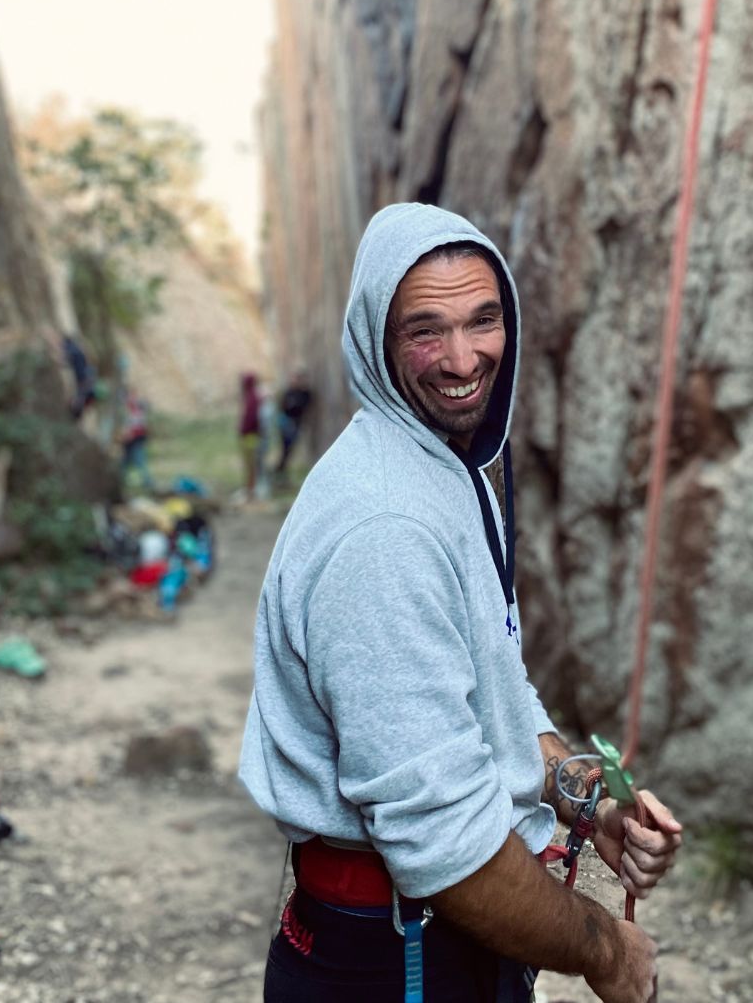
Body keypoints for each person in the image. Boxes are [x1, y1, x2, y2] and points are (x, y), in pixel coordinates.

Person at [239, 204, 681, 1003]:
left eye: (484, 320)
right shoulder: (386, 528)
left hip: (436, 941)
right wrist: (608, 950)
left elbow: (492, 697)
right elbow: (445, 844)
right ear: (376, 337)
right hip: (398, 961)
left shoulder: (440, 469)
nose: (462, 357)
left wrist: (586, 804)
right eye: (425, 330)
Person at [274, 370, 312, 478]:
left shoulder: (304, 394)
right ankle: (280, 470)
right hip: (286, 422)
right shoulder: (289, 392)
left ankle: (281, 469)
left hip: (295, 423)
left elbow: (302, 405)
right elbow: (284, 406)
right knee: (285, 447)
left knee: (290, 448)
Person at [118, 387, 153, 491]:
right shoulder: (128, 409)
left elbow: (138, 425)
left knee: (139, 460)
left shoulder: (136, 409)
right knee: (125, 462)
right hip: (129, 440)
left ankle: (147, 482)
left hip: (136, 438)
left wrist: (128, 433)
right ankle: (121, 480)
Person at [238, 372, 262, 500]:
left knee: (250, 464)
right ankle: (250, 488)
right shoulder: (250, 396)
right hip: (249, 435)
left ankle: (251, 490)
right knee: (249, 464)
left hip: (250, 436)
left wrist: (245, 430)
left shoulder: (253, 398)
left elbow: (252, 419)